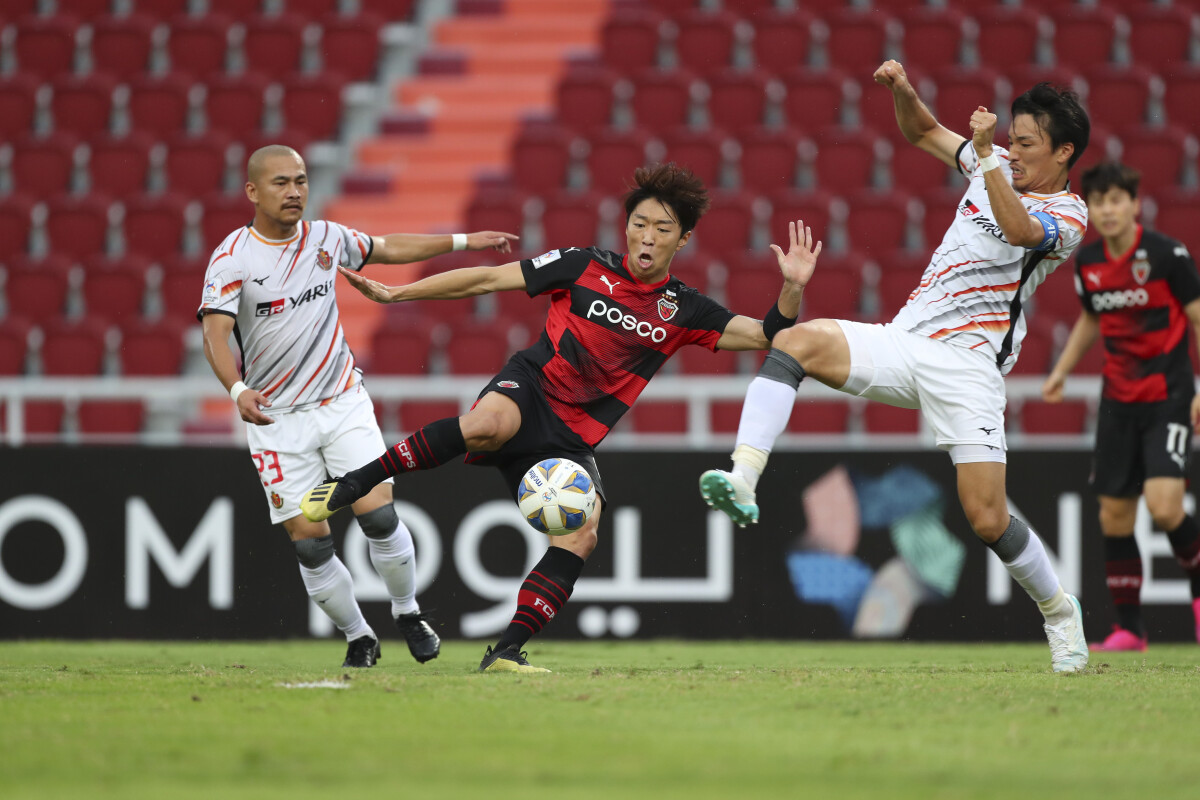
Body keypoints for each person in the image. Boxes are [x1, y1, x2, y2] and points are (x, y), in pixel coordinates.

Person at [298, 162, 821, 672]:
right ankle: (355, 483)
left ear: (681, 241)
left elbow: (768, 334)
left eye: (662, 229)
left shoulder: (685, 310)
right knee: (486, 424)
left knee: (582, 534)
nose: (647, 237)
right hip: (530, 389)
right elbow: (487, 279)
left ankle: (505, 653)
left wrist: (792, 286)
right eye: (639, 224)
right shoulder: (581, 264)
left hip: (572, 436)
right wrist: (400, 292)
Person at [699, 62, 1093, 673]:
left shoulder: (1068, 216)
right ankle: (743, 479)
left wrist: (988, 157)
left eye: (1026, 144)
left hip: (969, 369)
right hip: (905, 342)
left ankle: (1060, 610)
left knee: (988, 518)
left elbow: (1017, 229)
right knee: (797, 343)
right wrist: (906, 92)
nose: (1013, 153)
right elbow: (925, 133)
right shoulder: (989, 162)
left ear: (1064, 152)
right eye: (1010, 140)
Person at [198, 144, 518, 667]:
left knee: (379, 514)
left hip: (342, 400)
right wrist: (236, 390)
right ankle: (358, 636)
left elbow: (388, 248)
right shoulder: (233, 258)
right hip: (278, 420)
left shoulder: (325, 238)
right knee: (310, 542)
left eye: (300, 180)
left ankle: (408, 612)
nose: (295, 191)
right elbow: (215, 335)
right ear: (252, 191)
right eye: (281, 182)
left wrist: (464, 241)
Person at [1041, 161, 1200, 651]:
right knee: (1114, 516)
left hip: (1168, 396)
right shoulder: (1088, 263)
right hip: (1118, 402)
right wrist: (1062, 370)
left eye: (1116, 200)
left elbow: (1197, 318)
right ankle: (1130, 628)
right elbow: (1091, 319)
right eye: (1098, 201)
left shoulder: (1167, 255)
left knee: (1164, 505)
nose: (1107, 210)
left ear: (1134, 204)